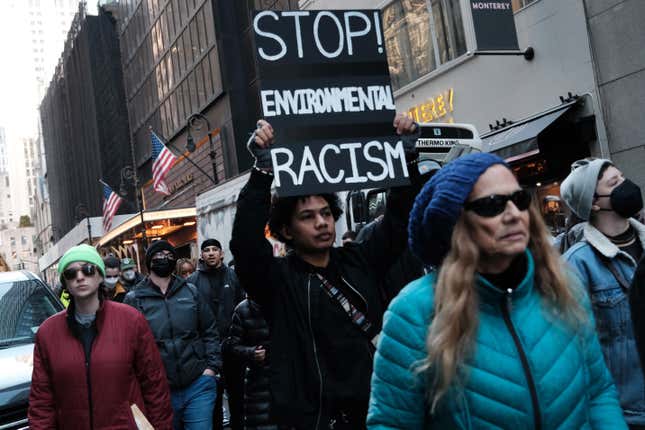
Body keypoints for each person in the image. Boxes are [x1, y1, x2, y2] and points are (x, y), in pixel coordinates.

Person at [367, 153, 626, 428]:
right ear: (456, 223)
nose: (514, 214)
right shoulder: (413, 312)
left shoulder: (563, 285)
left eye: (520, 200)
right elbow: (391, 423)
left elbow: (598, 393)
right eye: (493, 205)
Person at [230, 114, 421, 429]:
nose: (321, 222)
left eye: (326, 213)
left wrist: (407, 159)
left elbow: (401, 219)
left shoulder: (360, 259)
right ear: (286, 231)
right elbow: (245, 243)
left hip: (377, 415)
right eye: (307, 216)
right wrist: (263, 171)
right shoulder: (277, 282)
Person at [29, 244, 173, 429]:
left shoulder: (131, 320)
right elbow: (41, 401)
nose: (80, 277)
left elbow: (154, 385)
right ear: (65, 282)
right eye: (71, 273)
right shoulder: (47, 333)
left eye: (88, 270)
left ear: (100, 276)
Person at [561, 158, 645, 427]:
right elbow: (577, 352)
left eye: (622, 177)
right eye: (614, 183)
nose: (626, 185)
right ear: (594, 202)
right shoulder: (577, 264)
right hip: (628, 412)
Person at [124, 240, 222, 430]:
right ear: (149, 261)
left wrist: (211, 368)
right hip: (158, 391)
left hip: (197, 383)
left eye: (169, 256)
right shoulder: (134, 299)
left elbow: (209, 330)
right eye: (159, 255)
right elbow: (128, 346)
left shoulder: (190, 291)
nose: (164, 259)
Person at [188, 238, 244, 430]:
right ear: (201, 255)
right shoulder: (192, 282)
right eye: (207, 250)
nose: (211, 253)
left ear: (221, 254)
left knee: (237, 396)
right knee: (212, 398)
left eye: (214, 249)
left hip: (233, 347)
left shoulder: (234, 277)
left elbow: (242, 308)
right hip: (207, 350)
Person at [224, 299, 275, 430]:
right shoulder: (242, 309)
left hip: (282, 380)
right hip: (257, 382)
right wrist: (251, 353)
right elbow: (232, 347)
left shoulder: (284, 302)